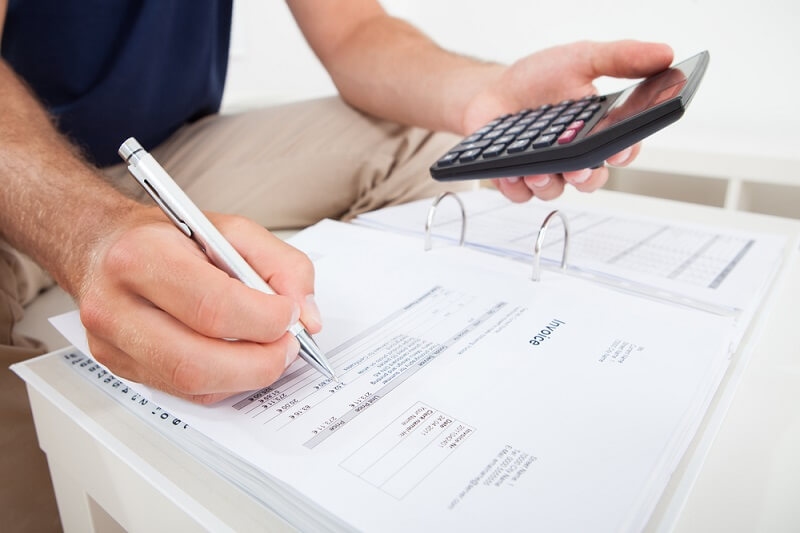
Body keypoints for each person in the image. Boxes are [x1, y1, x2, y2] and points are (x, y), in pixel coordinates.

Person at [0, 0, 674, 529]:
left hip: (169, 146)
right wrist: (92, 232)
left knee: (435, 140)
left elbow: (354, 31)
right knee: (35, 436)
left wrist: (484, 94)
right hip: (19, 173)